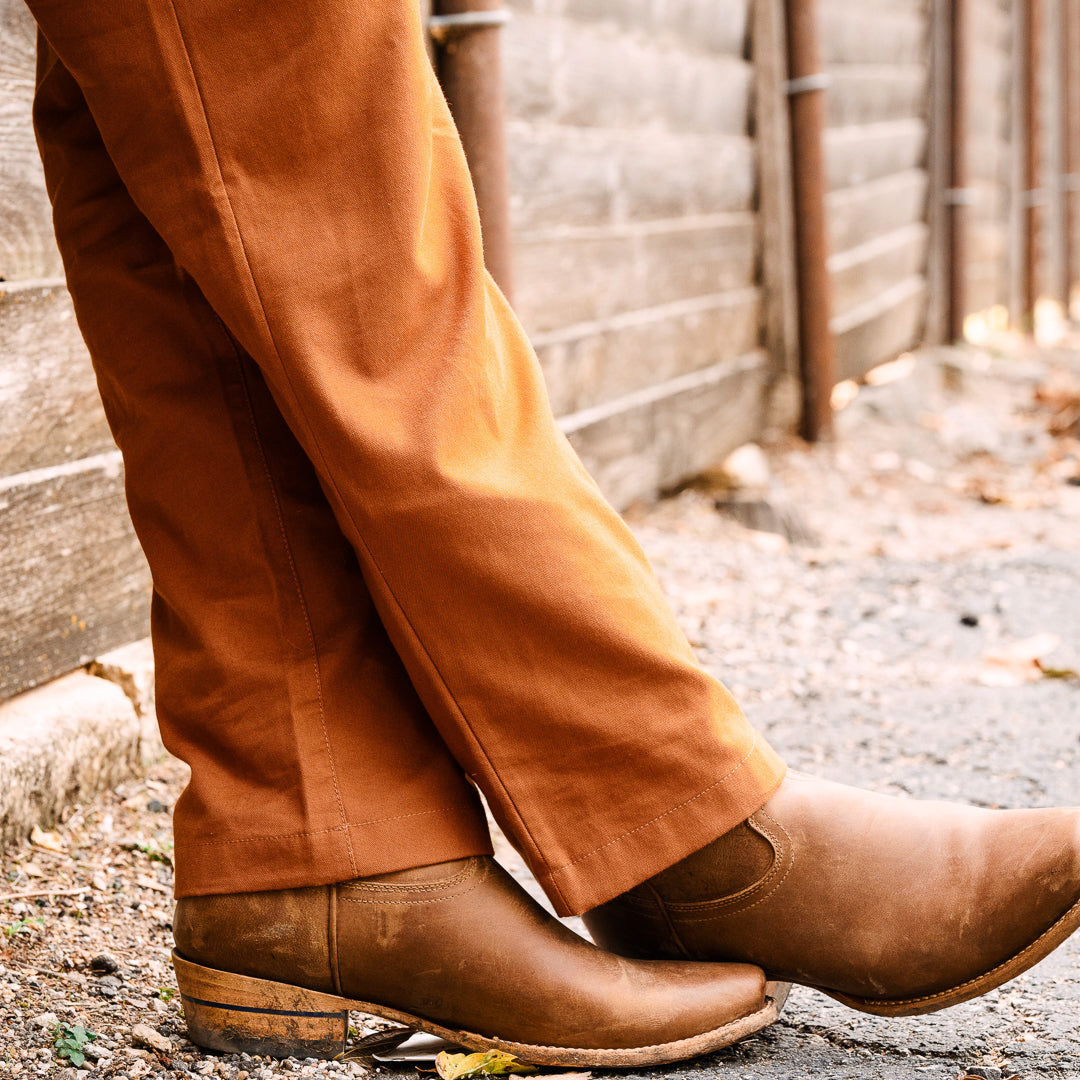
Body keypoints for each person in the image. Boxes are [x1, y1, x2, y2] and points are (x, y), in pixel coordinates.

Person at [25, 0, 1080, 1066]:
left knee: (162, 102)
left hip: (320, 831)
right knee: (296, 66)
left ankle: (320, 838)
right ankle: (665, 809)